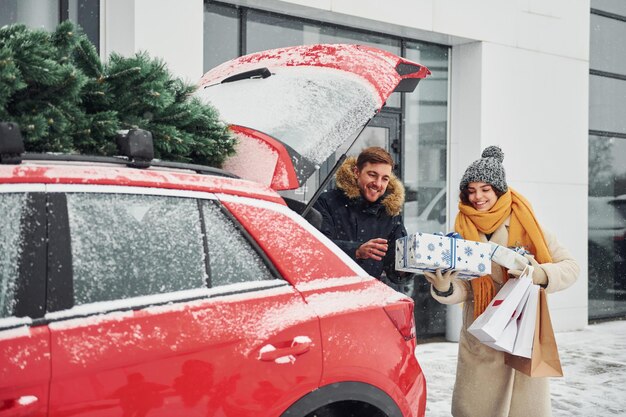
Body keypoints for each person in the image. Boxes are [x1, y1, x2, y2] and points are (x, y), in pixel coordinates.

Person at [423, 145, 579, 417]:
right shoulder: (461, 231)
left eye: (485, 189)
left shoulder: (531, 226)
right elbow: (466, 287)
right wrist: (445, 287)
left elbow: (571, 268)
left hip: (523, 330)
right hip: (482, 335)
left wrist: (539, 274)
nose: (477, 197)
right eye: (470, 190)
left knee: (521, 409)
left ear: (498, 190)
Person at [313, 146, 413, 290]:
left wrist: (410, 265)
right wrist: (356, 250)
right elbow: (317, 248)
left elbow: (395, 269)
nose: (378, 184)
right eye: (372, 175)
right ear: (356, 172)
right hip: (329, 293)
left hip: (369, 298)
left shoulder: (390, 213)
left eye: (385, 179)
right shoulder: (326, 202)